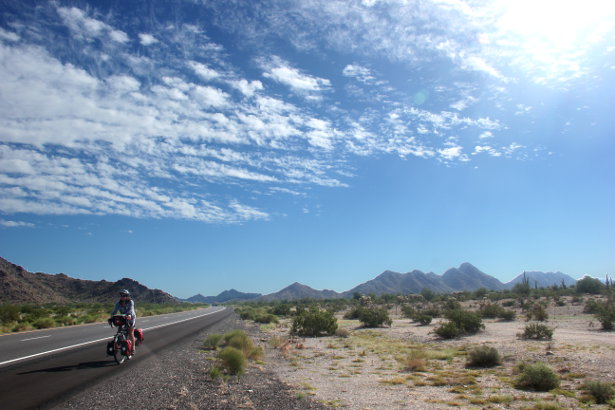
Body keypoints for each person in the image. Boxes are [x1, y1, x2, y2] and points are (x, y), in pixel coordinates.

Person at [110, 289, 137, 355]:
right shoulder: (118, 303)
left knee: (131, 333)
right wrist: (111, 317)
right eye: (121, 295)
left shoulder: (131, 302)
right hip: (122, 318)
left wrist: (129, 315)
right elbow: (114, 311)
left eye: (124, 295)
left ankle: (133, 349)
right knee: (119, 332)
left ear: (127, 295)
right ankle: (118, 345)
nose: (122, 296)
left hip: (131, 318)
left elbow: (130, 310)